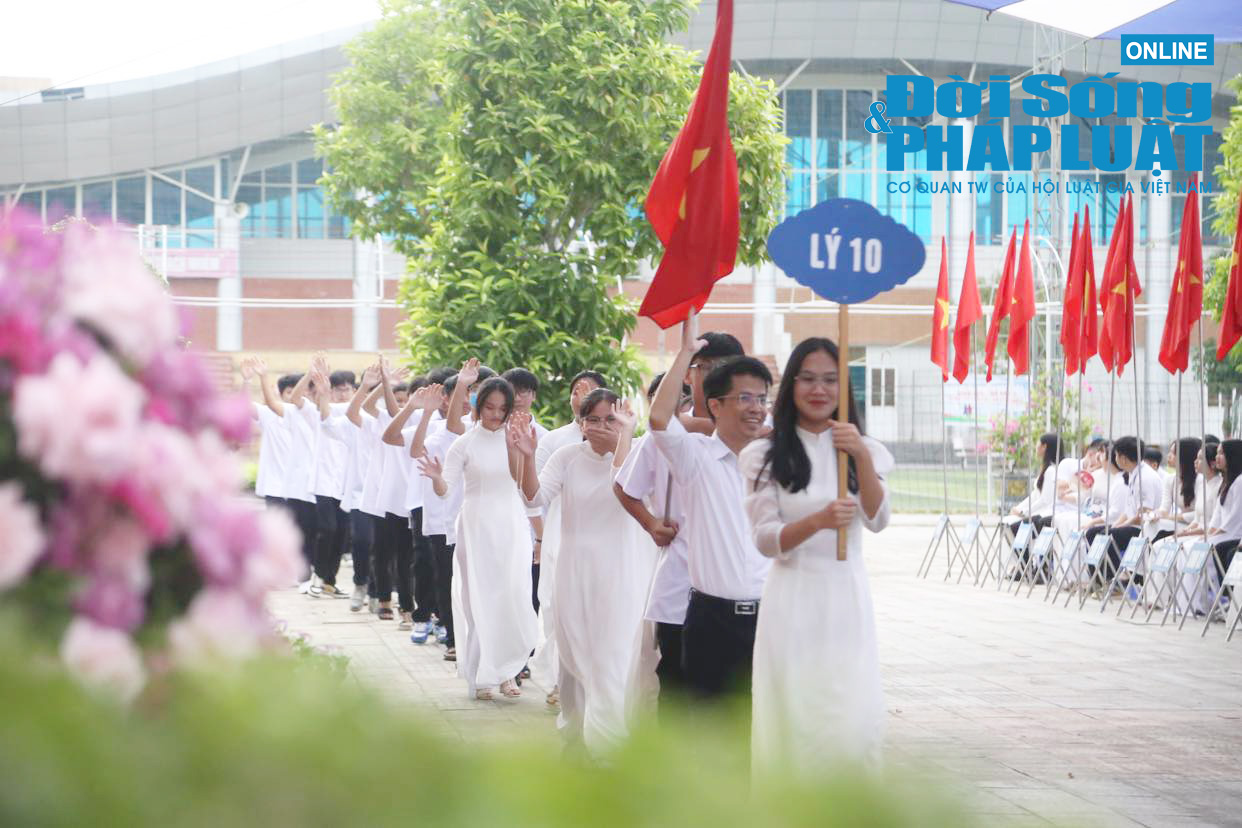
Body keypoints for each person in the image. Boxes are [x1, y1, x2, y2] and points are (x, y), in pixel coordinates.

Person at [739, 337, 893, 773]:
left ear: (844, 387)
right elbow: (766, 540)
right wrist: (818, 521)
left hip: (846, 598)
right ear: (791, 386)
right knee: (795, 722)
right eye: (807, 378)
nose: (818, 389)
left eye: (829, 379)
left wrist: (860, 453)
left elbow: (878, 519)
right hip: (793, 599)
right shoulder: (763, 456)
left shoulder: (863, 449)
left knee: (852, 723)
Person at [511, 390, 657, 754]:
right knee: (573, 654)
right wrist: (526, 457)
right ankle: (576, 733)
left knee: (612, 654)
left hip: (622, 570)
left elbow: (624, 485)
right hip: (575, 569)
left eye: (611, 419)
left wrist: (625, 438)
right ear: (580, 424)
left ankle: (607, 747)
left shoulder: (640, 452)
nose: (601, 427)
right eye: (593, 420)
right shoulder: (567, 457)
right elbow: (534, 499)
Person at [649, 330, 772, 702]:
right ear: (715, 405)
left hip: (769, 618)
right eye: (745, 398)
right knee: (705, 728)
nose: (756, 407)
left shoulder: (776, 459)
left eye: (762, 399)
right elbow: (658, 417)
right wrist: (685, 355)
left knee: (760, 728)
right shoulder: (695, 457)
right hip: (710, 619)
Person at [421, 369, 537, 700]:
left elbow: (522, 484)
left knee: (511, 596)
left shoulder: (516, 436)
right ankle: (485, 673)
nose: (496, 415)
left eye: (503, 409)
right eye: (490, 408)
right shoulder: (464, 443)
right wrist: (434, 477)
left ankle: (507, 672)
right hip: (475, 526)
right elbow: (446, 490)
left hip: (511, 524)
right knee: (481, 600)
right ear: (479, 405)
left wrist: (521, 450)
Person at [613, 373, 694, 704]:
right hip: (676, 581)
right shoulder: (656, 441)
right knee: (674, 681)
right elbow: (623, 485)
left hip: (737, 589)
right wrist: (650, 523)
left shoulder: (744, 439)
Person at [530, 369, 607, 705]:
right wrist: (540, 538)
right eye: (577, 389)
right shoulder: (555, 443)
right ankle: (560, 681)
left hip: (604, 544)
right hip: (560, 535)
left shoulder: (626, 447)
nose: (582, 393)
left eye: (590, 389)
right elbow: (535, 496)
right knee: (554, 608)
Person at [1084, 437, 1161, 585]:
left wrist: (1121, 525)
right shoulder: (1133, 474)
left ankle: (1115, 580)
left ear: (1124, 459)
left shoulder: (1144, 478)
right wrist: (1117, 524)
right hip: (1131, 523)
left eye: (1117, 455)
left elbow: (1143, 515)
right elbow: (1128, 510)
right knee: (1092, 533)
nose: (1115, 459)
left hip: (1143, 528)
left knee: (1107, 535)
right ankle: (1098, 580)